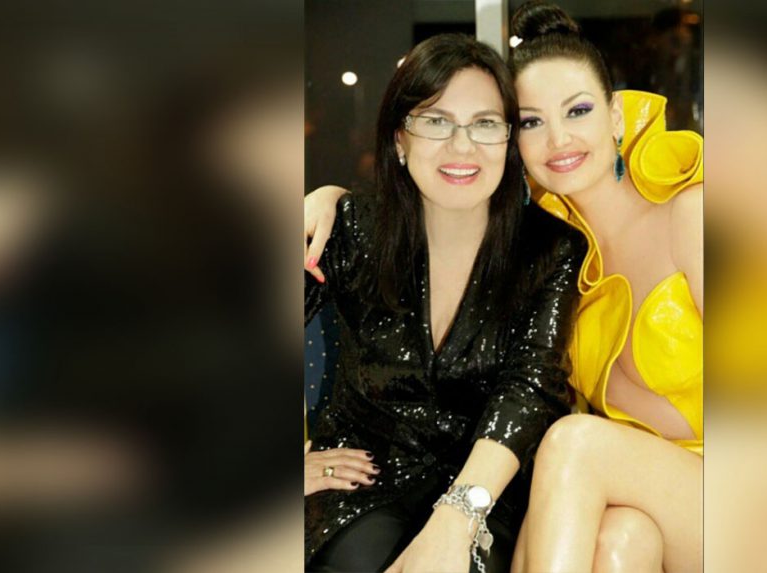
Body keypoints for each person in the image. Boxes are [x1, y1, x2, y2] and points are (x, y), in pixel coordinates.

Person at [304, 2, 704, 571]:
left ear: (616, 116)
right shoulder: (563, 245)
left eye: (579, 110)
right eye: (533, 121)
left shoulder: (691, 216)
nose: (559, 139)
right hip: (642, 495)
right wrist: (329, 200)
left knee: (575, 441)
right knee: (622, 542)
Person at [302, 33, 586, 572]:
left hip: (488, 486)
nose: (462, 146)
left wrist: (459, 515)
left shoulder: (550, 249)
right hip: (360, 479)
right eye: (435, 121)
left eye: (485, 124)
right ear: (399, 139)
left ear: (508, 141)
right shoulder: (349, 229)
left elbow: (530, 387)